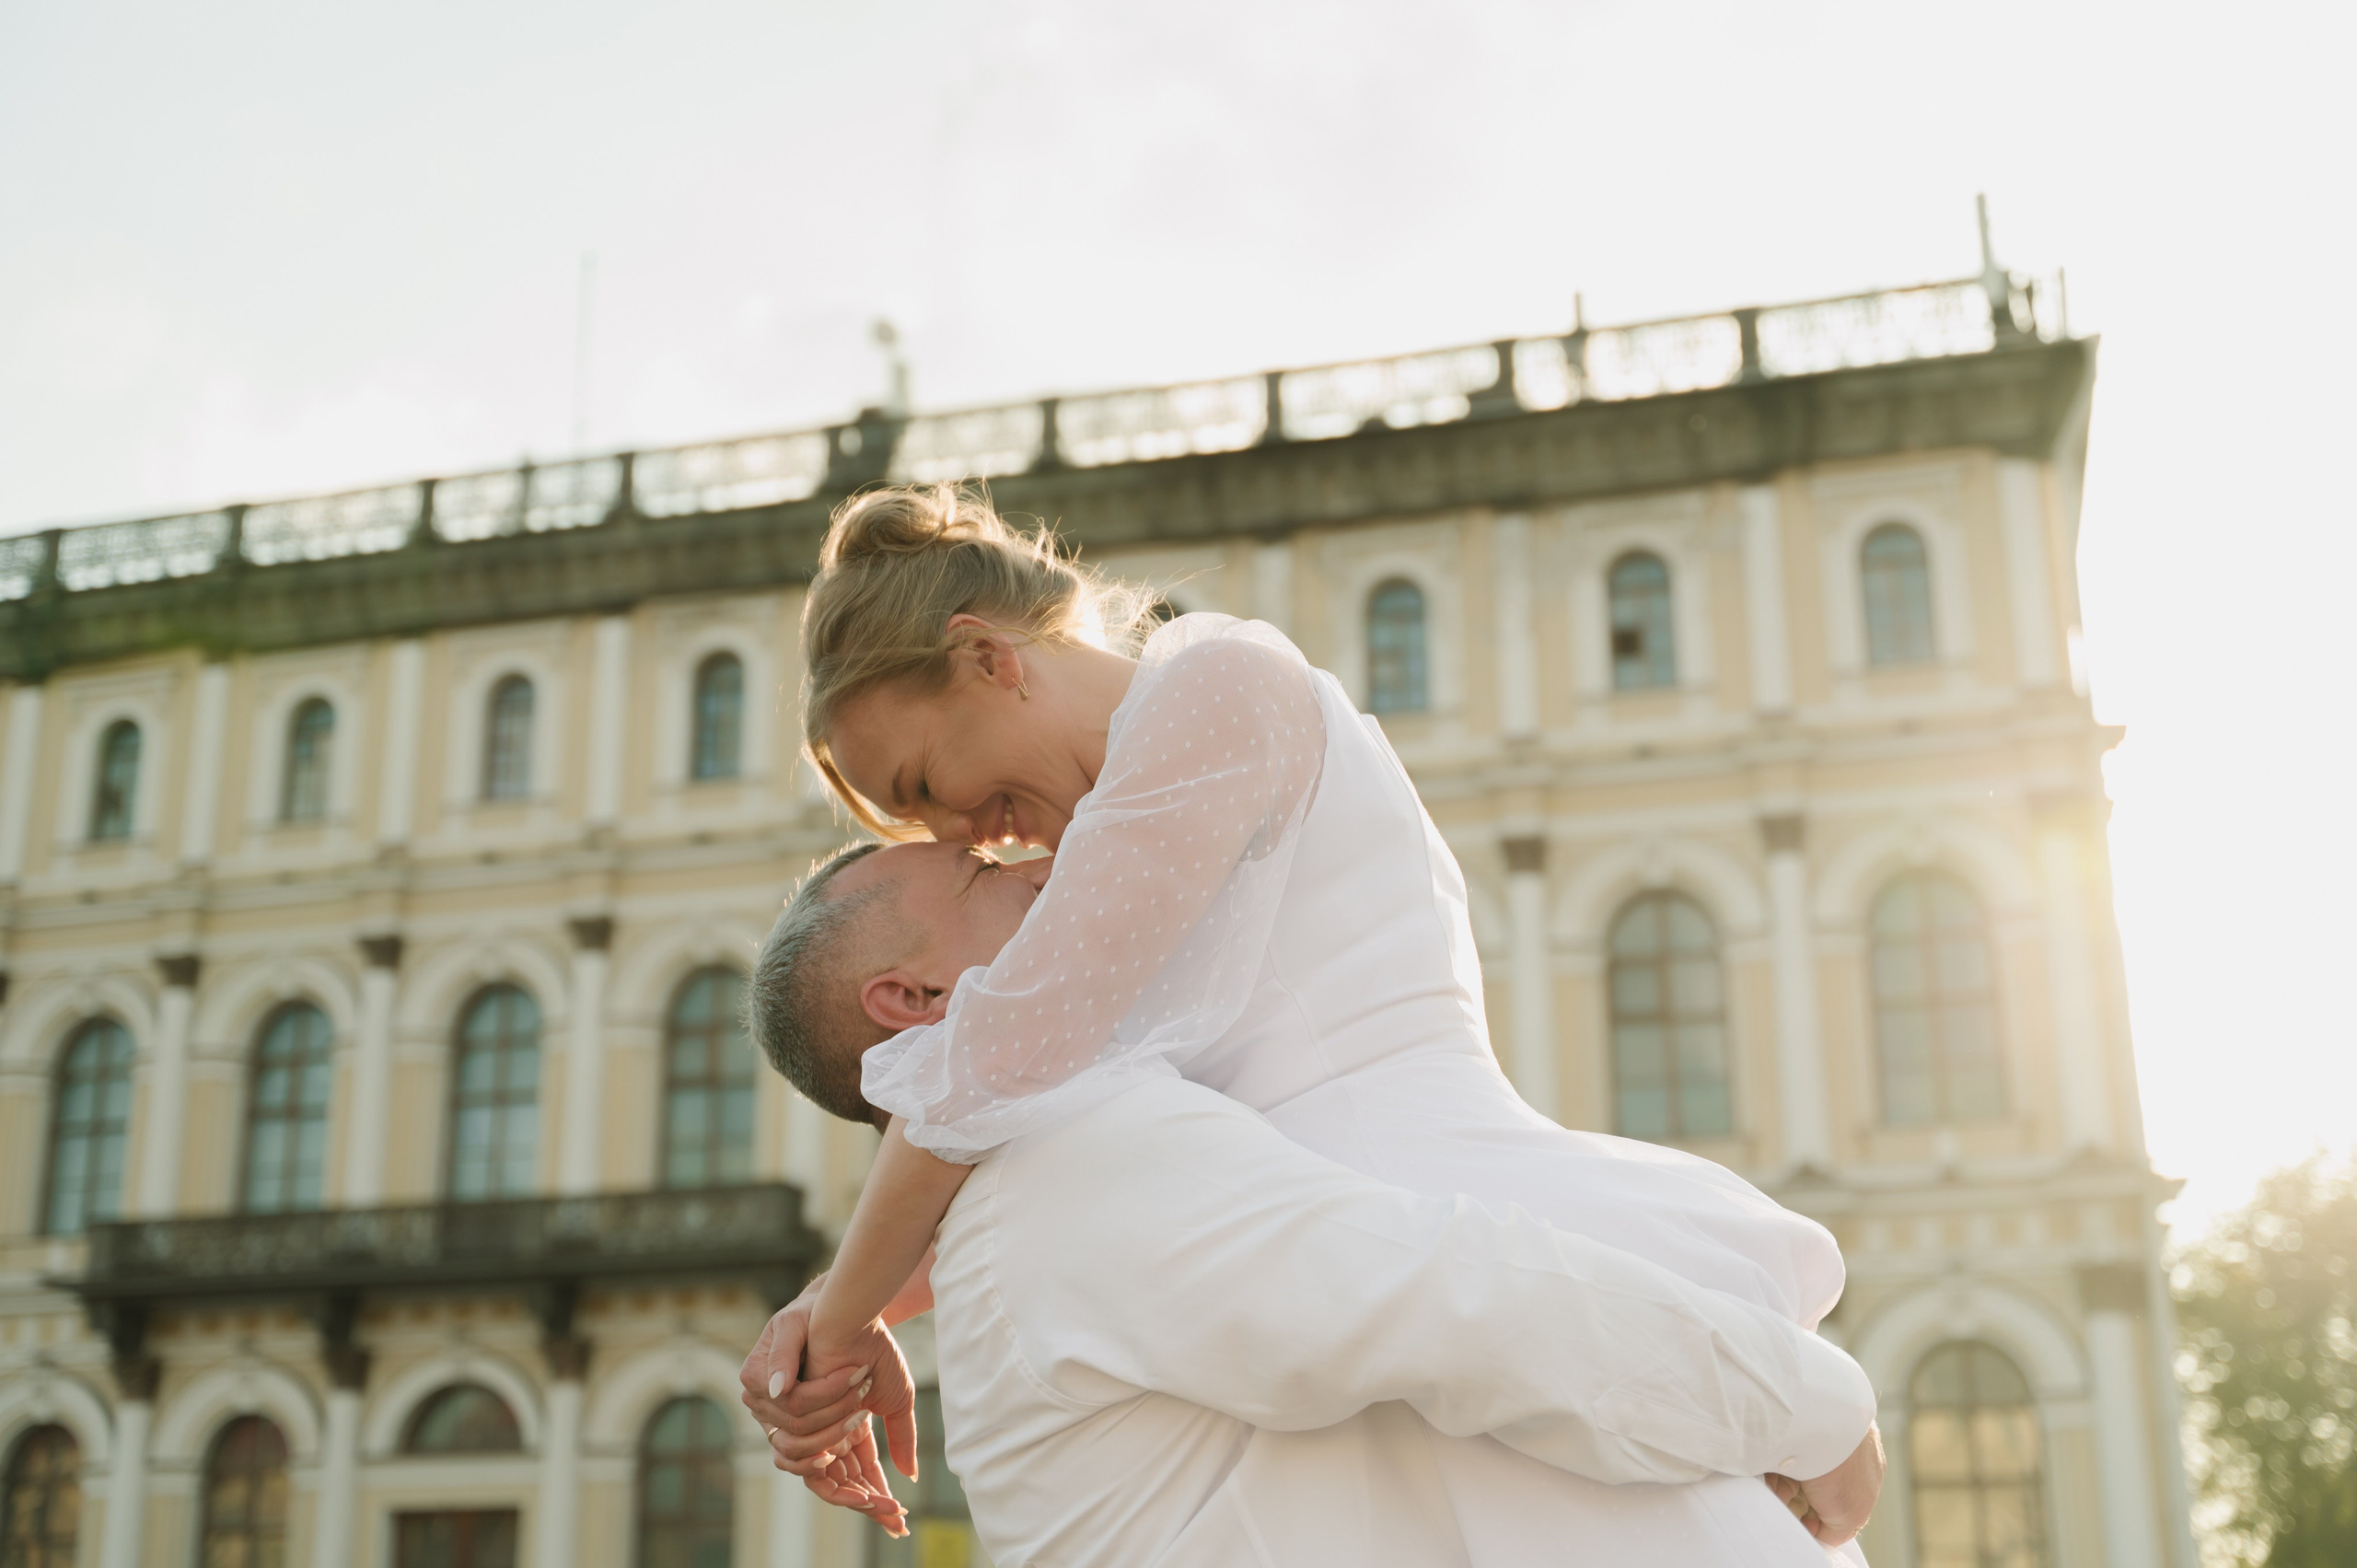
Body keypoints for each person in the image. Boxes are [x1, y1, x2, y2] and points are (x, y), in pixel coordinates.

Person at [755, 484, 1876, 1541]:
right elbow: (1049, 1130)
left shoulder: (1214, 693)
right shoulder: (1095, 859)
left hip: (1448, 1245)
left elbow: (989, 1060)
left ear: (987, 658)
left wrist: (841, 1317)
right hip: (1364, 1300)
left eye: (921, 784)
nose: (956, 833)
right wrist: (854, 1305)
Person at [745, 1042, 1884, 1564]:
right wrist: (1816, 1409)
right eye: (976, 868)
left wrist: (845, 1303)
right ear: (920, 1001)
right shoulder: (1086, 1146)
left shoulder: (1048, 1182)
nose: (1030, 860)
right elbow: (1454, 1295)